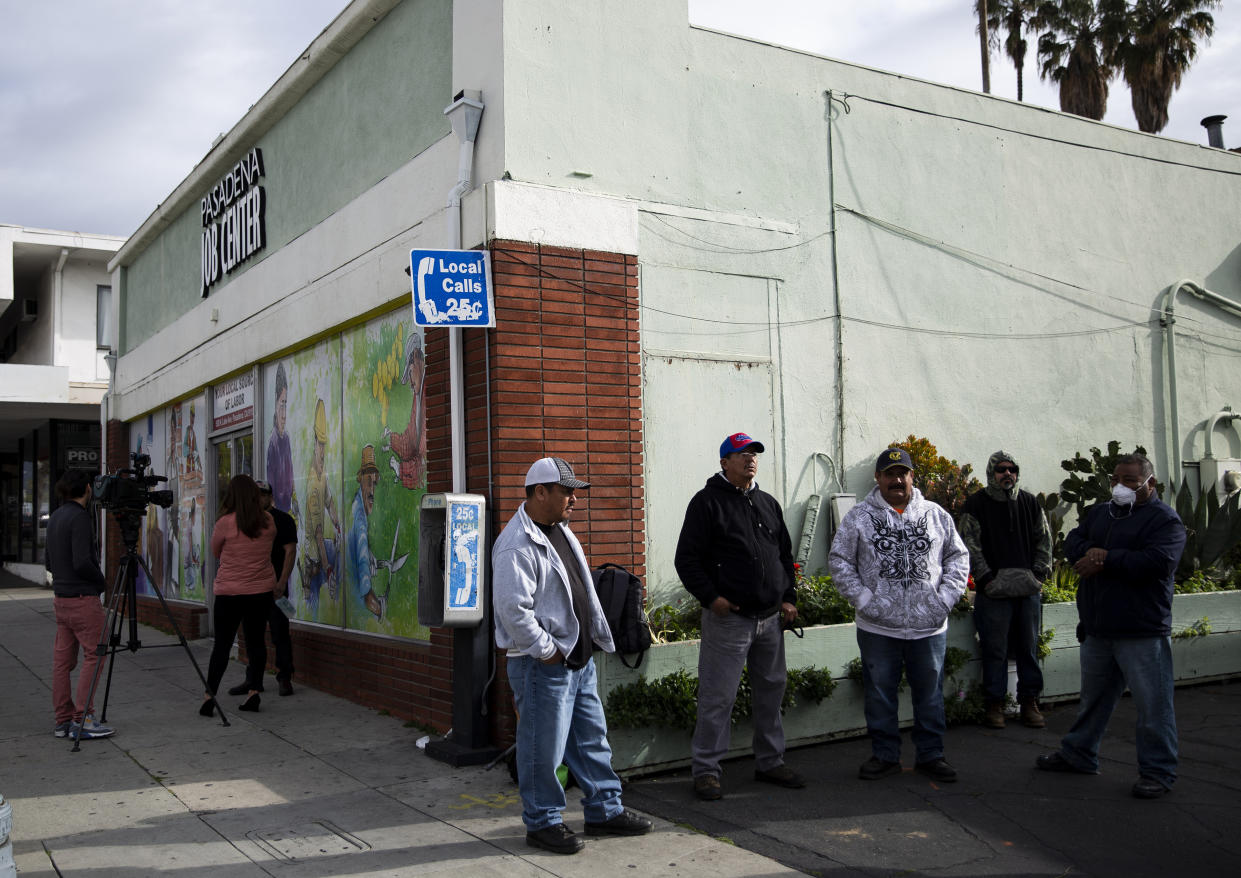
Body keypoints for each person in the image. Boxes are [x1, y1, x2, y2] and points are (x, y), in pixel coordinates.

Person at [492, 457, 652, 855]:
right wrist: (547, 651)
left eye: (575, 492)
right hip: (542, 664)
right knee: (541, 747)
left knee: (590, 738)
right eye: (566, 492)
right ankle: (542, 821)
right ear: (539, 492)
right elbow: (513, 610)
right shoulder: (515, 543)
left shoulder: (559, 531)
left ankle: (604, 809)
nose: (574, 500)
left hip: (576, 660)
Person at [1036, 453, 1187, 799]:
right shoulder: (1101, 513)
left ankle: (1158, 772)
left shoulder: (1165, 521)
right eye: (1117, 478)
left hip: (1142, 631)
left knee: (1153, 707)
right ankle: (1079, 754)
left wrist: (1104, 559)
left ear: (1150, 483)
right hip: (1099, 627)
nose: (1121, 485)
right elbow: (1074, 540)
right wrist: (1091, 553)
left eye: (1130, 480)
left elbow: (1159, 562)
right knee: (1094, 700)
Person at [674, 432, 804, 801]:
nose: (750, 459)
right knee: (718, 697)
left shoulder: (767, 503)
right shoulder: (706, 503)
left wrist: (788, 597)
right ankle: (706, 770)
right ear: (724, 463)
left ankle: (770, 762)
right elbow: (687, 560)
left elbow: (784, 556)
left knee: (771, 693)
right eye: (741, 454)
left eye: (753, 454)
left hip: (770, 620)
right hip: (729, 619)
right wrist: (711, 597)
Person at [828, 447, 969, 783]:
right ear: (878, 478)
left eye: (902, 473)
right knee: (879, 693)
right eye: (889, 474)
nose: (896, 480)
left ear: (911, 477)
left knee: (931, 694)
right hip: (878, 627)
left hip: (929, 627)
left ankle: (931, 755)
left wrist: (944, 599)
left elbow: (958, 558)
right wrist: (865, 600)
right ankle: (885, 755)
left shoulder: (936, 514)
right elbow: (839, 561)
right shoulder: (859, 517)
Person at [959, 451, 1053, 729]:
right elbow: (968, 544)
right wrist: (986, 579)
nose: (1007, 474)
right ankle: (995, 704)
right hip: (993, 593)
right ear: (991, 472)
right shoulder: (976, 504)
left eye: (1012, 469)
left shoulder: (1030, 502)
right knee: (995, 650)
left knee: (1028, 648)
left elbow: (1044, 541)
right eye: (1001, 469)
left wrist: (1038, 576)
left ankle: (1029, 703)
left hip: (1028, 591)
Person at [46, 469, 115, 740]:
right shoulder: (79, 517)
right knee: (95, 654)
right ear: (88, 488)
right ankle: (83, 718)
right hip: (82, 599)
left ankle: (63, 720)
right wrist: (102, 583)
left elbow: (49, 563)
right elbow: (82, 561)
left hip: (61, 599)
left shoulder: (55, 518)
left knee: (62, 662)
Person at [201, 475, 276, 716]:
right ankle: (254, 691)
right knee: (256, 643)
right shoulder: (268, 522)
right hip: (260, 592)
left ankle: (209, 696)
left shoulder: (225, 522)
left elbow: (215, 551)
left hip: (229, 593)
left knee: (222, 645)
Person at [226, 480, 297, 697]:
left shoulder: (283, 520)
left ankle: (285, 677)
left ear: (270, 496)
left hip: (275, 589)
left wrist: (282, 582)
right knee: (252, 635)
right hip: (251, 588)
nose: (260, 499)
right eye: (256, 495)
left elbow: (290, 551)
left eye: (264, 495)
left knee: (279, 633)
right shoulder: (247, 522)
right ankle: (253, 680)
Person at [347, 445, 387, 621]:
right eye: (368, 482)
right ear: (360, 480)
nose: (372, 490)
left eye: (374, 482)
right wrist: (380, 609)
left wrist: (371, 556)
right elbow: (366, 593)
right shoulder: (360, 521)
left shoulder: (355, 508)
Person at [265, 363, 294, 512]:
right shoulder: (273, 443)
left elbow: (291, 479)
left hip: (288, 513)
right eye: (281, 405)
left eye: (285, 405)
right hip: (278, 515)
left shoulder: (286, 439)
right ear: (275, 404)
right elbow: (271, 488)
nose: (284, 414)